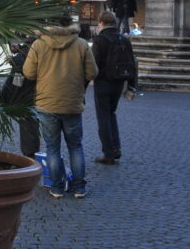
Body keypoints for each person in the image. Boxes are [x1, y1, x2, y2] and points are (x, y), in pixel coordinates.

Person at [23, 12, 97, 200]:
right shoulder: (81, 44)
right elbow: (92, 72)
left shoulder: (39, 44)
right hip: (72, 102)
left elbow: (28, 73)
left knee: (52, 147)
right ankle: (79, 187)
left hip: (46, 102)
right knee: (75, 146)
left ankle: (56, 187)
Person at [90, 10, 137, 165]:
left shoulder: (99, 40)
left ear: (101, 23)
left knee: (103, 117)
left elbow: (93, 65)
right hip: (119, 81)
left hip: (103, 82)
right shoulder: (124, 39)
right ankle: (116, 148)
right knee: (111, 114)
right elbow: (133, 63)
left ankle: (108, 152)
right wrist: (132, 86)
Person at [0, 37, 39, 158]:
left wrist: (15, 58)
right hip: (29, 91)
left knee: (29, 121)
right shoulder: (33, 41)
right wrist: (18, 50)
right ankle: (30, 152)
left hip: (29, 92)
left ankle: (30, 153)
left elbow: (27, 67)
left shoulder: (37, 42)